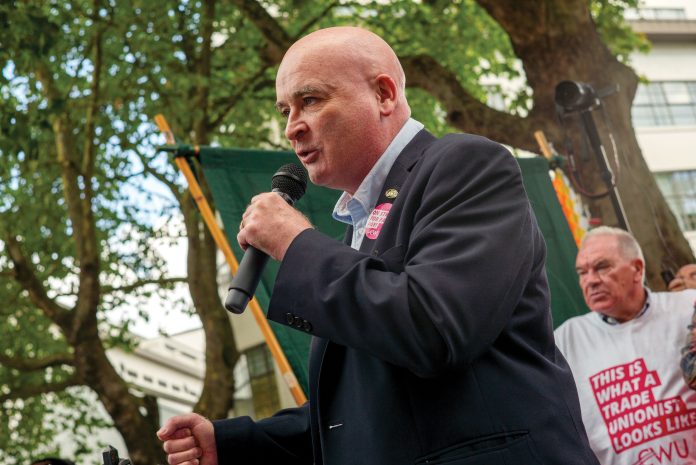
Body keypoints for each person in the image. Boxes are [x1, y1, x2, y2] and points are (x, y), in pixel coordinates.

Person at [158, 26, 599, 465]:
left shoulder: (467, 165)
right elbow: (356, 413)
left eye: (309, 100)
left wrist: (294, 242)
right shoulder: (354, 232)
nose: (292, 128)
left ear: (384, 95)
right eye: (284, 110)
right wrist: (230, 442)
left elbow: (434, 327)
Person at [555, 227, 696, 465]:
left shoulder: (687, 308)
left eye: (602, 267)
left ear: (637, 269)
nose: (591, 280)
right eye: (582, 272)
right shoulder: (565, 340)